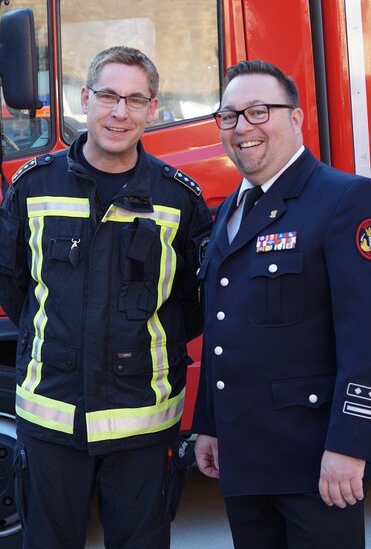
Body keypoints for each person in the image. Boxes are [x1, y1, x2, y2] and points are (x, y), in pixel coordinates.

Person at [0, 45, 212, 549]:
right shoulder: (33, 185)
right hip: (51, 415)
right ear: (85, 98)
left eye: (136, 100)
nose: (120, 112)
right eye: (109, 96)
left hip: (143, 422)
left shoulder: (179, 196)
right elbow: (13, 287)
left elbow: (193, 304)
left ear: (153, 109)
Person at [193, 59, 371, 548]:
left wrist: (350, 446)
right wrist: (208, 426)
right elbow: (223, 323)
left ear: (296, 119)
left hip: (314, 464)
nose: (241, 128)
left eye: (257, 111)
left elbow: (365, 336)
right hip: (244, 459)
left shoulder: (344, 199)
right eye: (229, 116)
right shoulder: (233, 205)